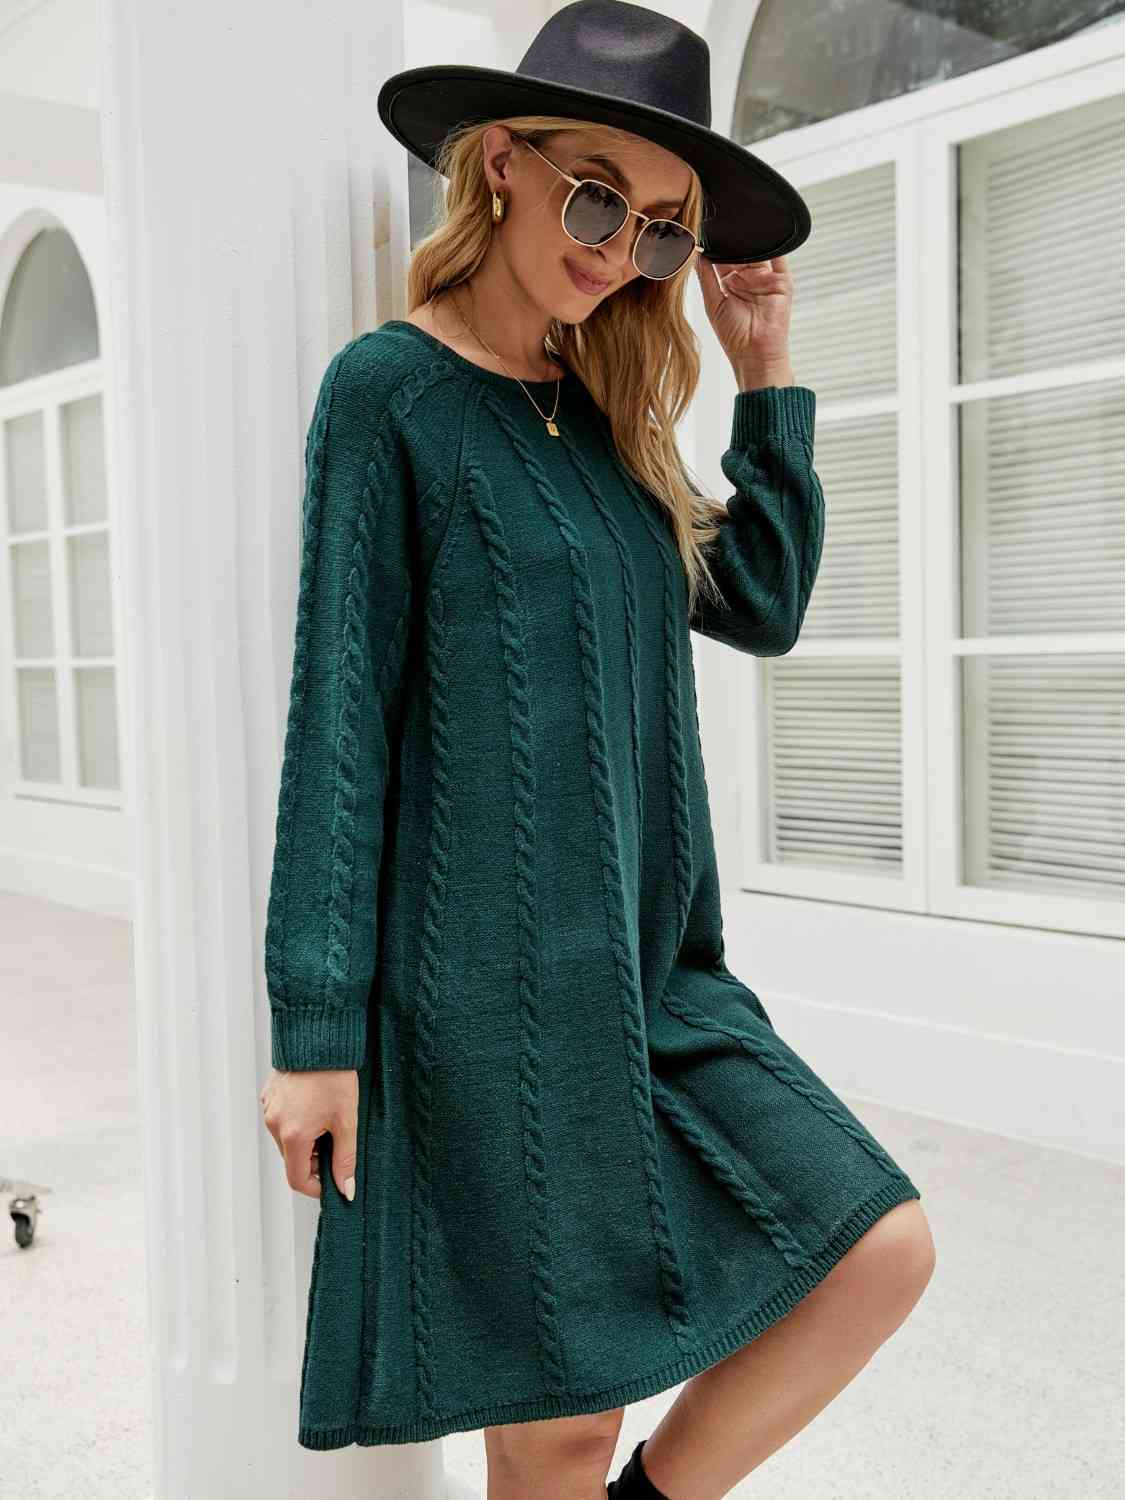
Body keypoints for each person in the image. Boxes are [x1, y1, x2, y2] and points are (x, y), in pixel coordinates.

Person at [258, 4, 935, 1497]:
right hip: (484, 1001)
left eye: (661, 228)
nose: (619, 248)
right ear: (501, 161)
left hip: (654, 974)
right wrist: (314, 1027)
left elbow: (760, 600)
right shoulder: (390, 395)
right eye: (594, 198)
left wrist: (763, 368)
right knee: (562, 1419)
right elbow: (340, 715)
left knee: (878, 1245)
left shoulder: (606, 419)